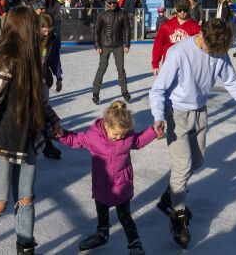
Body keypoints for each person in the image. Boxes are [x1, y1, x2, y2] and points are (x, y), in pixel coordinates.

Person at [149, 19, 236, 250]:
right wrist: (158, 117)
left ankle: (170, 195)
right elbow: (158, 89)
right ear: (201, 34)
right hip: (175, 113)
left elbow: (231, 81)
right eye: (210, 49)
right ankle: (177, 215)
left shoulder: (218, 50)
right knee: (183, 166)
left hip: (200, 111)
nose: (213, 53)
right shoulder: (178, 53)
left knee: (197, 161)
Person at [0, 6, 61, 255]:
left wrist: (52, 120)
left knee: (26, 198)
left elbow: (37, 99)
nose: (39, 31)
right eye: (35, 26)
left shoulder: (30, 59)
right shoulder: (4, 59)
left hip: (24, 138)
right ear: (25, 28)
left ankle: (25, 248)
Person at [56, 101, 159, 255]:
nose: (119, 138)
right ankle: (102, 235)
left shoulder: (127, 137)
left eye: (123, 135)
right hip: (101, 184)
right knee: (102, 214)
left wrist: (153, 131)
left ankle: (135, 244)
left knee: (125, 216)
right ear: (106, 125)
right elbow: (75, 139)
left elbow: (138, 141)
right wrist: (61, 135)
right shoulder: (93, 137)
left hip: (122, 184)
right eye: (116, 134)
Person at [92, 0, 131, 105]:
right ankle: (95, 93)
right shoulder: (102, 15)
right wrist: (97, 45)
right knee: (102, 68)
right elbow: (96, 31)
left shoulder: (122, 14)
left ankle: (125, 92)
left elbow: (127, 29)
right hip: (105, 46)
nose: (112, 4)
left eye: (114, 2)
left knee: (121, 69)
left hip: (118, 46)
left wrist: (127, 44)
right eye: (110, 3)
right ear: (106, 3)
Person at [151, 0, 201, 76]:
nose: (182, 12)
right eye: (179, 10)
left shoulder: (196, 28)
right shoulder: (166, 26)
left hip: (188, 68)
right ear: (176, 9)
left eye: (185, 10)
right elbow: (158, 45)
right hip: (169, 66)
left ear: (189, 9)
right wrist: (155, 64)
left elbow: (201, 50)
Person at [39, 13, 64, 160]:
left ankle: (47, 144)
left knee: (44, 111)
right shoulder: (29, 38)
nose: (46, 33)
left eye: (49, 30)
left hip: (43, 80)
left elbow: (55, 59)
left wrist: (58, 77)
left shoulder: (52, 40)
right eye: (44, 29)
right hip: (28, 80)